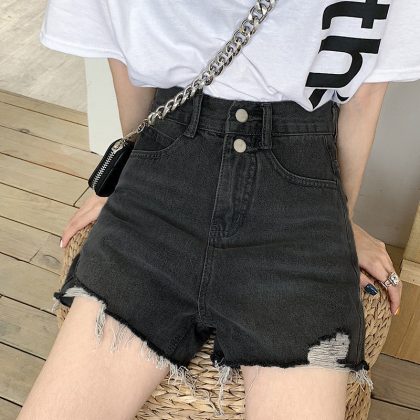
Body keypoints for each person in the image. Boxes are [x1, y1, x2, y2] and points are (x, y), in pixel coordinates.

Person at [18, 1, 418, 419]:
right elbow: (365, 95)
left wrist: (340, 224)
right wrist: (123, 184)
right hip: (201, 176)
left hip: (242, 186)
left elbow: (124, 55)